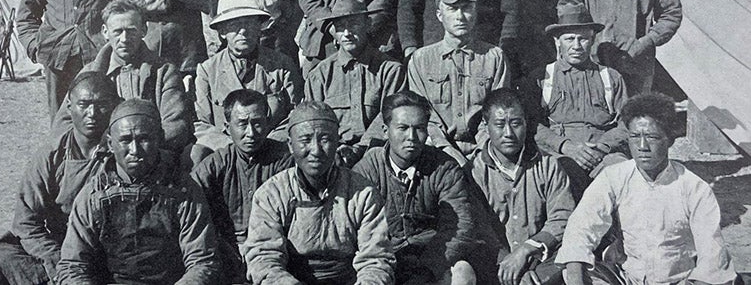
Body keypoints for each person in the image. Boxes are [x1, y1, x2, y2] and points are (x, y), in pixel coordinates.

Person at [557, 93, 736, 285]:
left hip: (679, 281)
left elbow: (712, 257)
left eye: (651, 137)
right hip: (626, 279)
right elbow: (581, 229)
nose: (642, 146)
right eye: (635, 136)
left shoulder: (695, 188)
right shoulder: (614, 177)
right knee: (574, 270)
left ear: (669, 139)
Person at [56, 98, 220, 284]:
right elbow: (72, 265)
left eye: (144, 139)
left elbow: (202, 262)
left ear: (159, 137)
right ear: (110, 144)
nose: (135, 150)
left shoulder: (184, 191)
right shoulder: (92, 197)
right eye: (125, 140)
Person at [0, 72, 119, 285]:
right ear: (70, 109)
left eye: (102, 105)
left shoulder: (123, 151)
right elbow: (26, 222)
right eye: (84, 104)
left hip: (102, 249)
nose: (93, 113)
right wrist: (59, 261)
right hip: (59, 246)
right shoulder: (52, 154)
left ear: (116, 106)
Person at [242, 101, 396, 284]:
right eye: (305, 140)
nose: (316, 150)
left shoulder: (363, 193)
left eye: (325, 139)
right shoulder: (271, 194)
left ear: (337, 142)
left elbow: (376, 259)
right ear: (291, 146)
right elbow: (264, 259)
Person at [353, 91, 482, 285]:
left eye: (419, 128)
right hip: (385, 260)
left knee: (463, 273)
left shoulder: (444, 167)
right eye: (402, 128)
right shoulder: (367, 169)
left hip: (433, 257)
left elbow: (460, 227)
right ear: (385, 129)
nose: (411, 137)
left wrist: (428, 269)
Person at [52, 0, 192, 153]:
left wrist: (136, 151)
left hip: (150, 156)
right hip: (98, 157)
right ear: (105, 32)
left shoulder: (164, 72)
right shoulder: (88, 74)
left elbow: (175, 126)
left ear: (144, 30)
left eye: (131, 31)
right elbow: (63, 125)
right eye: (118, 32)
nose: (124, 39)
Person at [520, 3, 628, 199]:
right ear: (557, 41)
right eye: (569, 39)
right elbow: (531, 124)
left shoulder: (610, 77)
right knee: (558, 176)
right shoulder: (542, 77)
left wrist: (603, 147)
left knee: (623, 172)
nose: (576, 46)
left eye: (583, 39)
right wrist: (564, 146)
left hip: (603, 155)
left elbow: (627, 123)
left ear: (593, 40)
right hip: (560, 155)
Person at [468, 88, 575, 285]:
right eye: (499, 125)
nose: (508, 133)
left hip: (541, 260)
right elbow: (478, 228)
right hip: (494, 262)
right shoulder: (473, 171)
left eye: (516, 123)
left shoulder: (548, 165)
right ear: (486, 126)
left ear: (526, 123)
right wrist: (509, 264)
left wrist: (525, 251)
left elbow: (562, 217)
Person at [191, 89, 293, 284]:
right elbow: (191, 203)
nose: (251, 133)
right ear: (227, 127)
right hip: (227, 254)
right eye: (242, 124)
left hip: (274, 250)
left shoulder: (284, 160)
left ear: (267, 122)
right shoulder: (216, 164)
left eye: (257, 123)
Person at [408, 0, 510, 164]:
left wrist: (482, 155)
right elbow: (426, 119)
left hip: (487, 152)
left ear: (476, 11)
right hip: (436, 153)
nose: (460, 16)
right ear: (439, 14)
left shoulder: (494, 57)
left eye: (466, 8)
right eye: (452, 9)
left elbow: (497, 113)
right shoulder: (421, 60)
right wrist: (452, 156)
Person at [305, 0, 407, 167]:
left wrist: (360, 149)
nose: (346, 33)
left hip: (378, 155)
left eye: (353, 24)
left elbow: (391, 118)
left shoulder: (390, 70)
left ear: (367, 24)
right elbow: (315, 122)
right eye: (340, 26)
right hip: (332, 157)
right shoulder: (319, 75)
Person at [195, 0, 301, 151]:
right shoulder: (208, 71)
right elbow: (202, 124)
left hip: (272, 150)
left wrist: (268, 144)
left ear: (260, 27)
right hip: (226, 153)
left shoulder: (282, 65)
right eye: (235, 25)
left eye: (249, 23)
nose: (243, 31)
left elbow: (295, 114)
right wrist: (234, 149)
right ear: (222, 32)